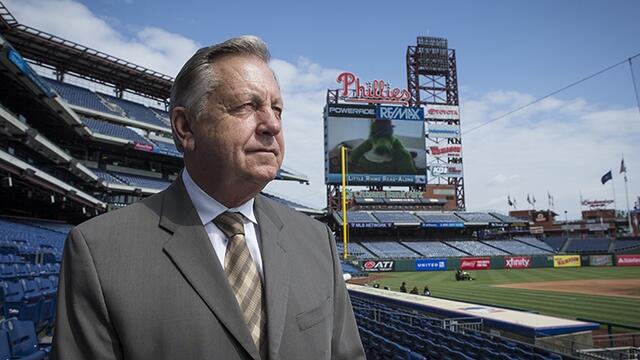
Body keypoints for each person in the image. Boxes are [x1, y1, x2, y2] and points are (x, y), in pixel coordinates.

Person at [51, 36, 365, 360]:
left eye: (277, 109)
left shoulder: (317, 241)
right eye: (247, 105)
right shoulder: (99, 252)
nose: (272, 123)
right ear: (186, 127)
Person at [349, 119, 417, 174]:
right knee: (405, 156)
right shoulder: (394, 142)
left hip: (368, 166)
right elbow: (404, 156)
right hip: (387, 168)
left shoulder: (370, 141)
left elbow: (355, 155)